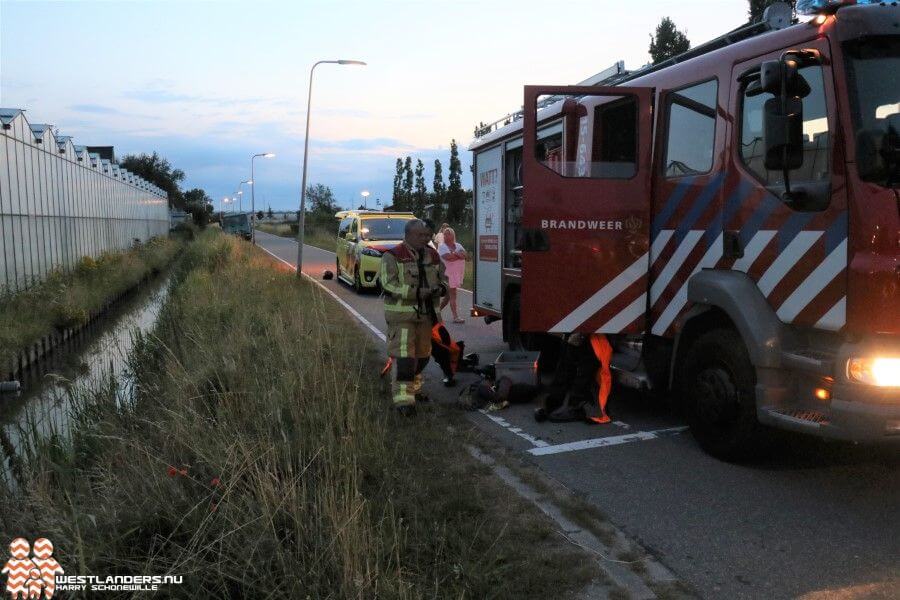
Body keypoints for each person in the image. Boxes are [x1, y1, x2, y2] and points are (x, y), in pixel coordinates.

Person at [380, 219, 448, 416]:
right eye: (421, 235)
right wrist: (417, 292)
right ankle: (404, 401)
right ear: (408, 235)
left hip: (427, 316)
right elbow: (387, 285)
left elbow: (444, 279)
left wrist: (440, 289)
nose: (426, 239)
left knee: (423, 356)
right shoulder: (392, 256)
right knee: (404, 359)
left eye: (427, 235)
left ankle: (415, 390)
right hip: (402, 317)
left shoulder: (433, 255)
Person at [438, 227, 467, 323]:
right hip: (447, 274)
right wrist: (458, 255)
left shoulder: (458, 245)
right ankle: (455, 317)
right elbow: (448, 257)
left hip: (457, 273)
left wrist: (454, 253)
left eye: (448, 233)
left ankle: (435, 313)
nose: (446, 235)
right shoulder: (442, 246)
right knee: (452, 294)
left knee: (448, 297)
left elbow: (465, 255)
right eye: (445, 234)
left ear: (452, 235)